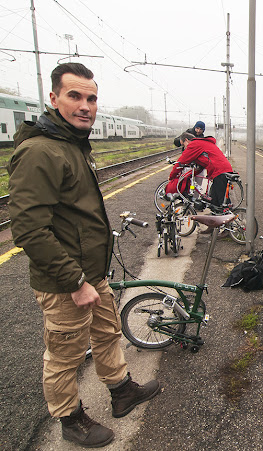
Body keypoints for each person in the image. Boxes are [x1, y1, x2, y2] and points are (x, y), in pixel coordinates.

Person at [8, 63, 160, 447]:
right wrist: (74, 281)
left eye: (91, 98)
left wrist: (89, 276)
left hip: (91, 273)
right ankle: (70, 420)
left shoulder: (72, 145)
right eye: (74, 96)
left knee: (107, 334)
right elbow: (28, 229)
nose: (85, 105)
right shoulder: (41, 152)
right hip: (65, 282)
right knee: (65, 356)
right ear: (54, 98)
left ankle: (122, 391)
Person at [167, 131, 233, 208]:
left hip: (220, 170)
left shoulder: (194, 145)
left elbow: (180, 162)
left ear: (187, 140)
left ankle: (230, 216)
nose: (184, 148)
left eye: (183, 145)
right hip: (220, 170)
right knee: (214, 200)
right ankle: (216, 216)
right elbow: (201, 167)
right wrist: (189, 174)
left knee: (222, 200)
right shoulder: (201, 143)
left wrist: (172, 176)